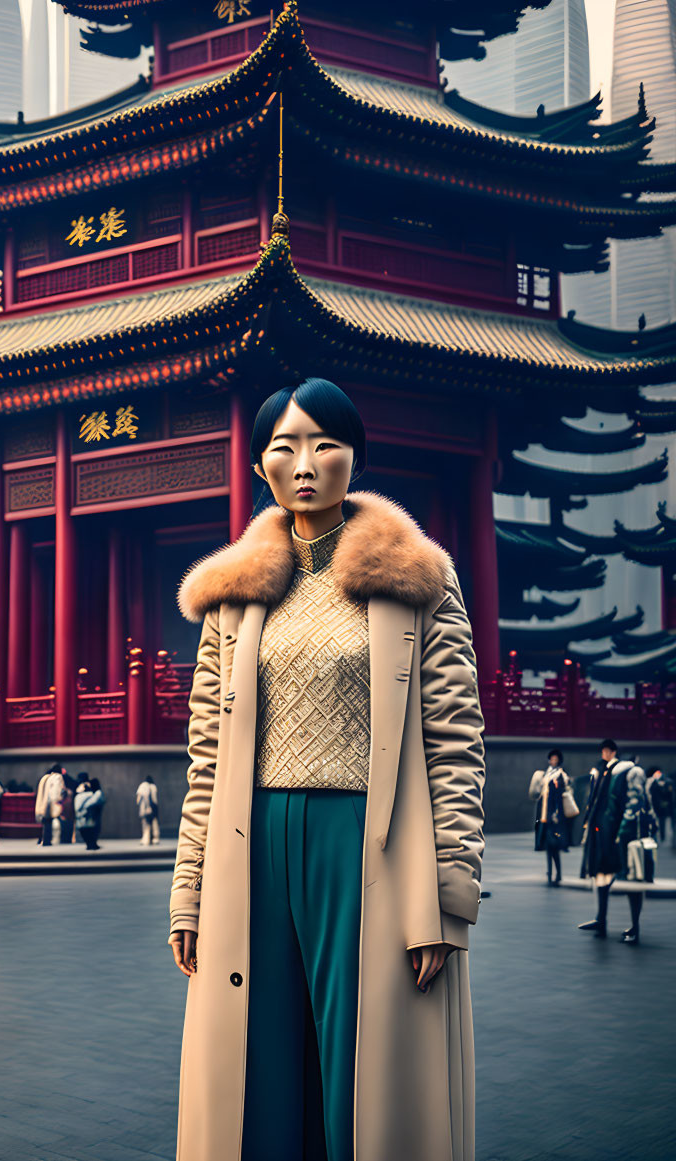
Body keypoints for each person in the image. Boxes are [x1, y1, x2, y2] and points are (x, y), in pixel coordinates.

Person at [168, 379, 485, 1161]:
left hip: (367, 844)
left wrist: (445, 899)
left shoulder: (419, 580)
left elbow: (453, 743)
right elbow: (205, 755)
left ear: (355, 455)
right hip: (250, 847)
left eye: (323, 443)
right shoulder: (233, 597)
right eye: (283, 446)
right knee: (260, 1070)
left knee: (363, 1072)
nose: (303, 462)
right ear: (258, 466)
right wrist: (188, 889)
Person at [612, 761, 659, 944]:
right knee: (633, 881)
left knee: (634, 881)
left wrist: (620, 831)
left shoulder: (631, 775)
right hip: (634, 837)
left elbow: (635, 805)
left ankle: (635, 927)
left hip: (632, 838)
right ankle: (634, 926)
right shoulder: (626, 775)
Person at [578, 739, 620, 938]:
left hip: (607, 829)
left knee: (604, 870)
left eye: (606, 750)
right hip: (600, 827)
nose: (604, 753)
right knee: (600, 872)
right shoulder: (603, 770)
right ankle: (601, 918)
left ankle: (602, 919)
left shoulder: (615, 771)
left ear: (612, 752)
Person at [529, 748, 573, 885]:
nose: (553, 761)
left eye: (556, 759)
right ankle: (551, 872)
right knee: (549, 846)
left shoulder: (560, 775)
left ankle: (557, 873)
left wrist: (555, 814)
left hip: (555, 816)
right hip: (544, 815)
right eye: (552, 759)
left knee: (554, 846)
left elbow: (559, 797)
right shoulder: (546, 774)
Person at [34, 763, 66, 846]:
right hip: (51, 803)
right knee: (51, 821)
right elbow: (56, 791)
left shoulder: (45, 777)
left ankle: (43, 839)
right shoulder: (57, 777)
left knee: (45, 821)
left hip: (43, 802)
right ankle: (48, 840)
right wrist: (58, 800)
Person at [74, 776, 106, 850]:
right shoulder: (95, 794)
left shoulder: (79, 796)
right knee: (92, 831)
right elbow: (91, 803)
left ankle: (90, 844)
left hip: (83, 818)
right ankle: (92, 844)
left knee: (86, 831)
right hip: (89, 817)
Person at [647, 766, 673, 843]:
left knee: (662, 822)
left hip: (662, 806)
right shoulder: (653, 783)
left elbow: (669, 795)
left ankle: (662, 836)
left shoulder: (667, 782)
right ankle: (656, 837)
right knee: (654, 822)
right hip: (654, 805)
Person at [136, 774, 160, 845]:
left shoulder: (141, 786)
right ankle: (155, 839)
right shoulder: (153, 786)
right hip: (153, 808)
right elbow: (155, 800)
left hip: (143, 808)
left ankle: (145, 839)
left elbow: (138, 800)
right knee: (154, 823)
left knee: (145, 824)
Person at [58, 773, 77, 844]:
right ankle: (67, 840)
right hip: (69, 811)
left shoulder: (64, 790)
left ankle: (64, 840)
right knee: (68, 828)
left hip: (64, 811)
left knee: (64, 828)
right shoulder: (70, 791)